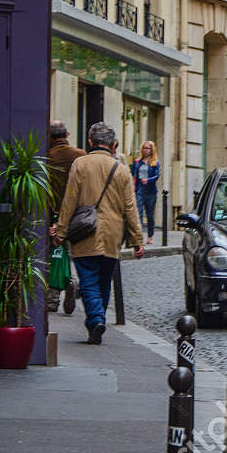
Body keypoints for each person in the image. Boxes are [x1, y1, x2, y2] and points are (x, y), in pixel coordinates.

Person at [53, 122, 144, 344]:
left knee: (88, 281)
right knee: (103, 282)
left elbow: (69, 200)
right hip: (113, 234)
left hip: (85, 232)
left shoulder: (80, 164)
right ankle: (98, 320)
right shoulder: (121, 169)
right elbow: (130, 207)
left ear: (90, 142)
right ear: (114, 145)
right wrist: (137, 240)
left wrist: (61, 230)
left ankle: (96, 319)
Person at [46, 122, 84, 316]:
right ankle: (72, 281)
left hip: (54, 215)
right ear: (67, 134)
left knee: (54, 255)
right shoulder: (80, 155)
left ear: (50, 137)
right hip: (79, 216)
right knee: (71, 253)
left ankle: (52, 300)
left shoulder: (47, 157)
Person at [131, 140, 161, 240]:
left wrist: (148, 180)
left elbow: (157, 175)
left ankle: (150, 236)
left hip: (151, 192)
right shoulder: (137, 162)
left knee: (150, 215)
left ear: (152, 150)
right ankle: (139, 236)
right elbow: (131, 174)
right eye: (144, 148)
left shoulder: (155, 163)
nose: (145, 150)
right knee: (138, 214)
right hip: (139, 191)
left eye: (147, 148)